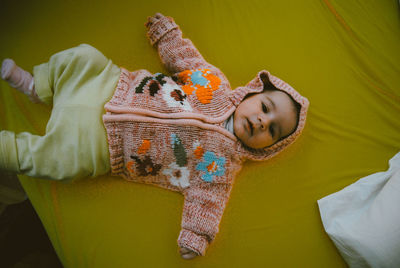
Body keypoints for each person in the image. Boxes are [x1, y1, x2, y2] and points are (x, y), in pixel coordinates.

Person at [0, 13, 309, 259]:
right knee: (85, 57)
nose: (261, 121)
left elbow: (206, 202)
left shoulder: (220, 167)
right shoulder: (214, 85)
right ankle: (37, 86)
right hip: (111, 86)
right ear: (253, 93)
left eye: (273, 130)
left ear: (269, 149)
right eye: (265, 108)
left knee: (57, 162)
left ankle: (6, 149)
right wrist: (166, 34)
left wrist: (195, 236)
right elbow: (185, 60)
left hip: (103, 146)